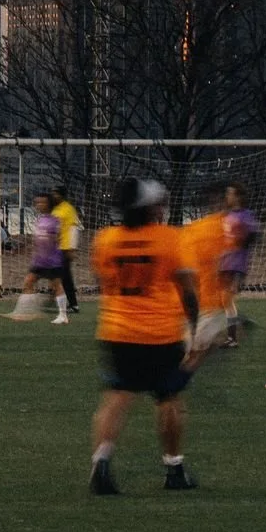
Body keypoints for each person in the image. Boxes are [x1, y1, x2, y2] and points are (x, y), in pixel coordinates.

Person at [89, 178, 199, 495]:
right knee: (169, 398)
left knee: (117, 397)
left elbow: (102, 279)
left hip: (117, 330)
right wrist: (195, 327)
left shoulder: (106, 239)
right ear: (149, 208)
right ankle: (174, 468)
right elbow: (187, 289)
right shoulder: (169, 238)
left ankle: (101, 463)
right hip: (161, 333)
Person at [181, 185, 228, 368]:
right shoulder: (224, 228)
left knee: (191, 354)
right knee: (192, 353)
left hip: (201, 303)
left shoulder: (195, 229)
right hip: (206, 303)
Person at [7, 193, 69, 324]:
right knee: (28, 282)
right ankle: (23, 312)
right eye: (37, 202)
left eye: (42, 202)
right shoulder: (40, 220)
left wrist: (49, 253)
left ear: (49, 205)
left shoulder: (54, 221)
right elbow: (38, 240)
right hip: (39, 260)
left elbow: (56, 239)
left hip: (51, 261)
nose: (39, 205)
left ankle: (63, 315)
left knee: (56, 286)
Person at [219, 181, 259, 347]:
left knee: (226, 299)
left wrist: (239, 241)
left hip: (237, 264)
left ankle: (232, 339)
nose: (227, 196)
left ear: (238, 197)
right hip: (225, 262)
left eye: (230, 193)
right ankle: (240, 321)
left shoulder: (245, 215)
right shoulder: (227, 216)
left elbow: (253, 235)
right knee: (222, 300)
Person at [51, 186, 81, 314]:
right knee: (57, 275)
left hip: (65, 248)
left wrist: (72, 248)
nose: (53, 196)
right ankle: (60, 301)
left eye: (55, 193)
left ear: (61, 195)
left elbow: (74, 229)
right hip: (56, 248)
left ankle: (73, 305)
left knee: (65, 277)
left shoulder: (68, 209)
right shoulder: (55, 209)